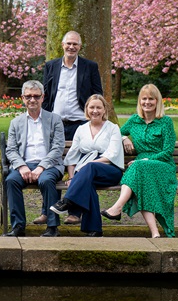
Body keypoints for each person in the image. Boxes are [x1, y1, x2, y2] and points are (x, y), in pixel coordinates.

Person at [36, 30, 103, 226]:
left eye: (75, 44)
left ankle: (75, 212)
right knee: (51, 165)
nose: (71, 47)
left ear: (79, 47)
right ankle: (47, 211)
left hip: (80, 125)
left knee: (80, 167)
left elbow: (97, 93)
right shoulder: (51, 66)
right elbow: (46, 93)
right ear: (62, 45)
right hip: (54, 124)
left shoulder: (89, 67)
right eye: (68, 44)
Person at [101, 84, 177, 238]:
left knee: (138, 166)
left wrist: (148, 159)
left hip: (162, 165)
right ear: (139, 101)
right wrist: (124, 138)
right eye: (144, 99)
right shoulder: (135, 120)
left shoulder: (165, 122)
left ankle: (117, 207)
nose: (147, 102)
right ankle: (155, 233)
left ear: (157, 101)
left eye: (151, 99)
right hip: (141, 167)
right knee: (141, 183)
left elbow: (168, 151)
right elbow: (115, 133)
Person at [49, 94, 124, 237]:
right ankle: (94, 229)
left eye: (98, 107)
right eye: (92, 107)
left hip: (110, 170)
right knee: (87, 184)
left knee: (89, 168)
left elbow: (111, 155)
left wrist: (86, 167)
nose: (95, 111)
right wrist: (72, 177)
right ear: (87, 109)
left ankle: (68, 201)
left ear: (104, 110)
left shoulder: (112, 128)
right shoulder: (81, 129)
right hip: (86, 173)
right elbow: (71, 157)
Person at [3, 80, 65, 237]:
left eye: (36, 96)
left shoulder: (54, 120)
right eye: (28, 96)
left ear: (43, 98)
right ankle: (18, 226)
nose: (32, 100)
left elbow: (57, 148)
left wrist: (41, 167)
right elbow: (11, 149)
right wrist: (21, 166)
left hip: (49, 165)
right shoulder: (15, 122)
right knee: (11, 180)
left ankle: (52, 227)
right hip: (24, 164)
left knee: (46, 180)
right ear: (22, 98)